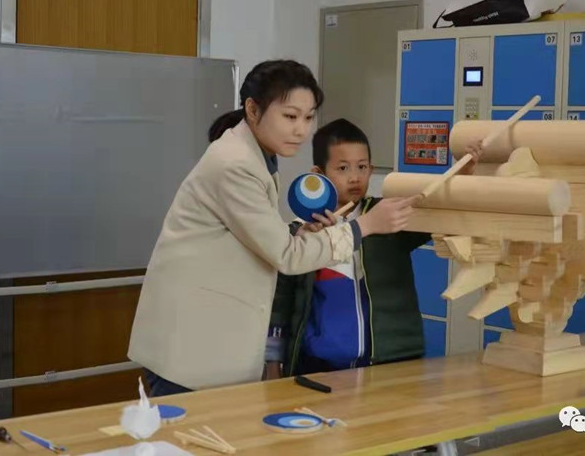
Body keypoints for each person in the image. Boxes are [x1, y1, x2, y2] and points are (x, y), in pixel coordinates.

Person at [128, 60, 416, 396]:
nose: (301, 130)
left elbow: (255, 238)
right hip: (193, 347)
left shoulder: (255, 158)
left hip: (211, 341)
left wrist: (303, 234)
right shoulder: (234, 164)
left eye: (308, 118)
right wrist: (362, 227)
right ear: (253, 110)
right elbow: (286, 256)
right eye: (290, 116)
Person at [265, 119, 483, 378]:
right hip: (318, 368)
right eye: (343, 168)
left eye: (362, 167)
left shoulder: (387, 214)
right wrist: (273, 362)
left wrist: (463, 173)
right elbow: (280, 305)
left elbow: (437, 209)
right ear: (318, 173)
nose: (355, 177)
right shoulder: (300, 233)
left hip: (391, 363)